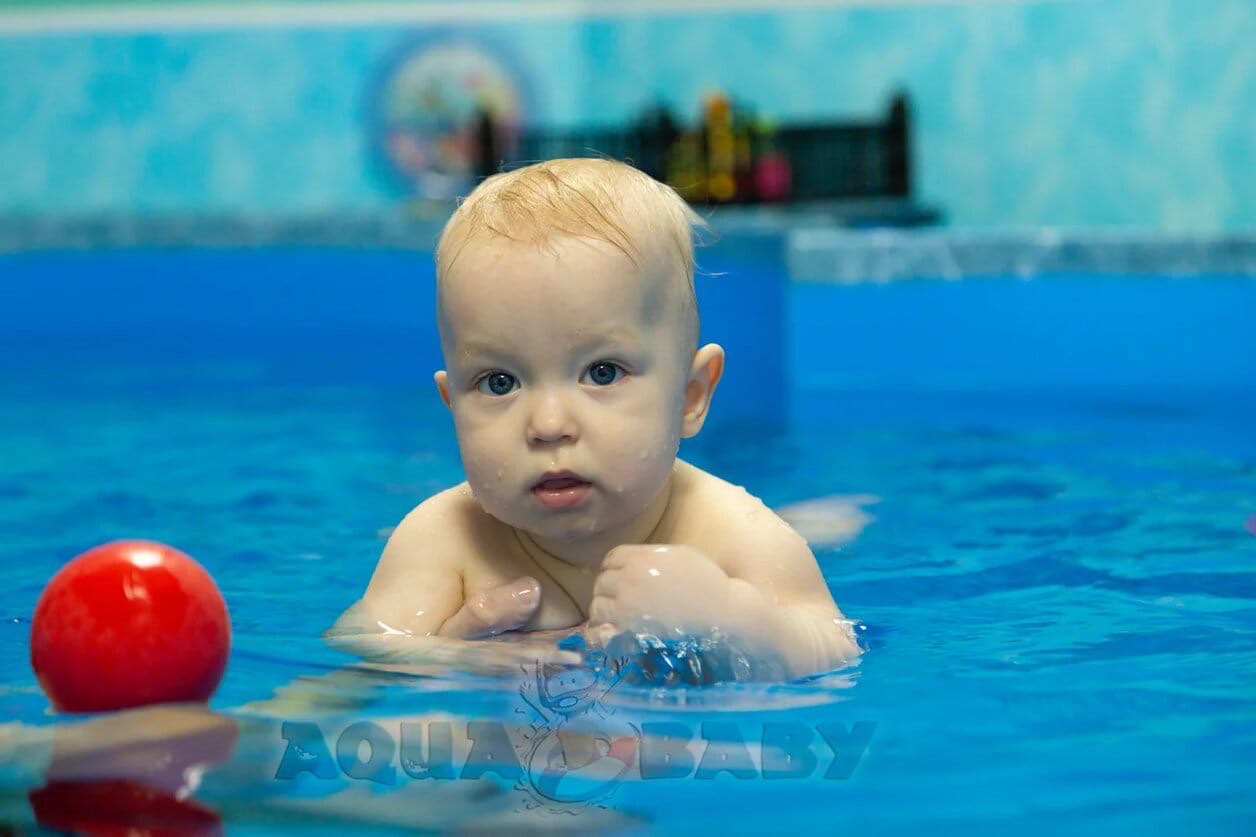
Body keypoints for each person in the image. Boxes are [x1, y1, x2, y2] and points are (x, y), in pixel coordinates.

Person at [336, 158, 859, 678]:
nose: (548, 424)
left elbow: (835, 648)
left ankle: (825, 518)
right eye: (500, 383)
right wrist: (458, 655)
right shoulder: (444, 538)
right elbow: (361, 650)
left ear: (690, 397)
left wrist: (735, 620)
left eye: (602, 372)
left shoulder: (734, 536)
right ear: (453, 407)